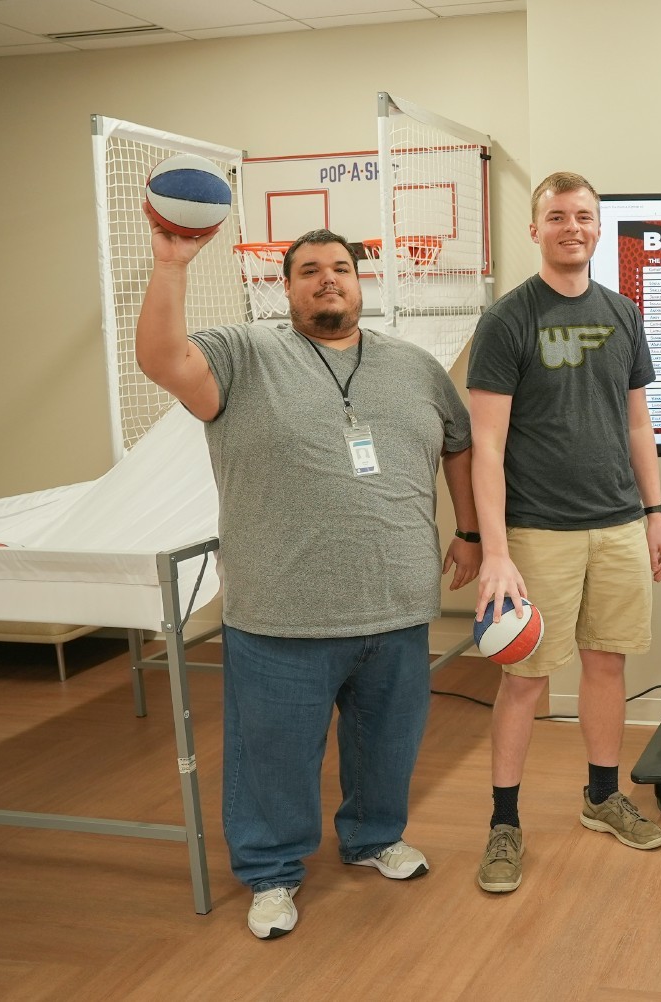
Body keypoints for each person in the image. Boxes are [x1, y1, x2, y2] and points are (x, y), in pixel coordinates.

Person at [134, 216, 480, 937]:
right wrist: (172, 265)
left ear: (361, 282)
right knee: (274, 758)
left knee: (388, 743)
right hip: (280, 613)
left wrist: (472, 531)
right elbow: (164, 359)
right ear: (285, 286)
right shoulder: (244, 353)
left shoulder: (413, 366)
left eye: (341, 268)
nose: (328, 278)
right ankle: (270, 873)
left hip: (395, 605)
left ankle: (374, 836)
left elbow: (458, 444)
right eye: (310, 270)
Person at [465, 170, 661, 894]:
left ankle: (600, 795)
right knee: (525, 680)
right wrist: (495, 552)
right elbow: (485, 445)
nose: (572, 227)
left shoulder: (623, 313)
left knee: (608, 665)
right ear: (535, 229)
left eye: (583, 216)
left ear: (596, 226)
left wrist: (655, 514)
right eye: (557, 216)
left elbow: (638, 424)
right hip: (537, 532)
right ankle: (504, 823)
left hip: (618, 524)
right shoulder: (508, 320)